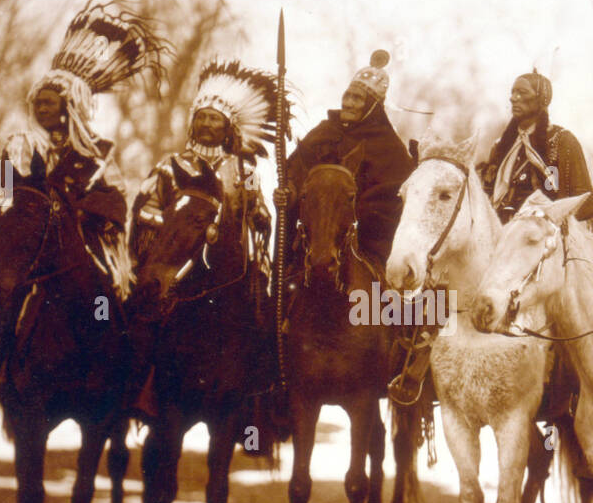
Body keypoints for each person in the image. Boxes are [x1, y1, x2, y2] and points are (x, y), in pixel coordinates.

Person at [0, 2, 165, 427]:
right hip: (26, 248)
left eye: (53, 102)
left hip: (84, 248)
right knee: (0, 295)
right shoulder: (22, 145)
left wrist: (82, 213)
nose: (44, 108)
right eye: (40, 101)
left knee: (112, 301)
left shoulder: (100, 155)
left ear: (72, 106)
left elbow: (115, 200)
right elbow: (5, 193)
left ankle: (124, 387)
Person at [128, 59, 286, 420]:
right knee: (141, 320)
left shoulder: (243, 169)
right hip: (176, 265)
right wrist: (167, 230)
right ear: (193, 123)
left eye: (215, 118)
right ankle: (138, 393)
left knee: (262, 318)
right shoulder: (171, 166)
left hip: (229, 269)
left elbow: (260, 218)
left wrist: (261, 211)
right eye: (202, 116)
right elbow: (145, 210)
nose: (207, 123)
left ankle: (258, 406)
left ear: (228, 127)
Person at [283, 50, 415, 269]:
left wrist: (353, 212)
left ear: (373, 106)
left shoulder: (391, 148)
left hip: (365, 245)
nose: (349, 103)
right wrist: (289, 190)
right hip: (313, 237)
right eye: (347, 96)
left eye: (357, 99)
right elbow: (296, 170)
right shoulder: (323, 132)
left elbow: (395, 200)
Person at [478, 71, 593, 228]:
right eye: (513, 92)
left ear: (540, 100)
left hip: (543, 240)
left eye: (522, 92)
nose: (513, 98)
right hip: (500, 234)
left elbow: (584, 203)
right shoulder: (501, 147)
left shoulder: (562, 141)